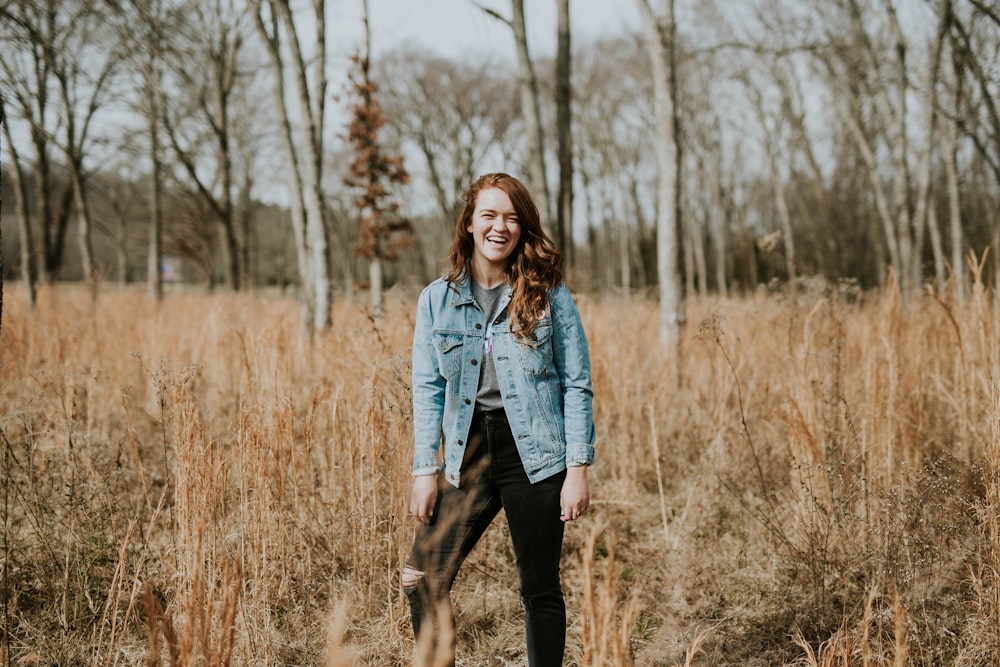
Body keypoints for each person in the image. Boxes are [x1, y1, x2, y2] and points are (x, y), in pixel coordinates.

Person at [402, 172, 596, 667]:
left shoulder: (549, 294)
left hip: (534, 450)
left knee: (539, 588)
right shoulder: (436, 299)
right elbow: (428, 389)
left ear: (522, 228)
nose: (499, 227)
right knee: (421, 578)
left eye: (511, 217)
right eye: (489, 215)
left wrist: (577, 470)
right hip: (467, 450)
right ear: (469, 223)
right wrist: (424, 470)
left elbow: (577, 383)